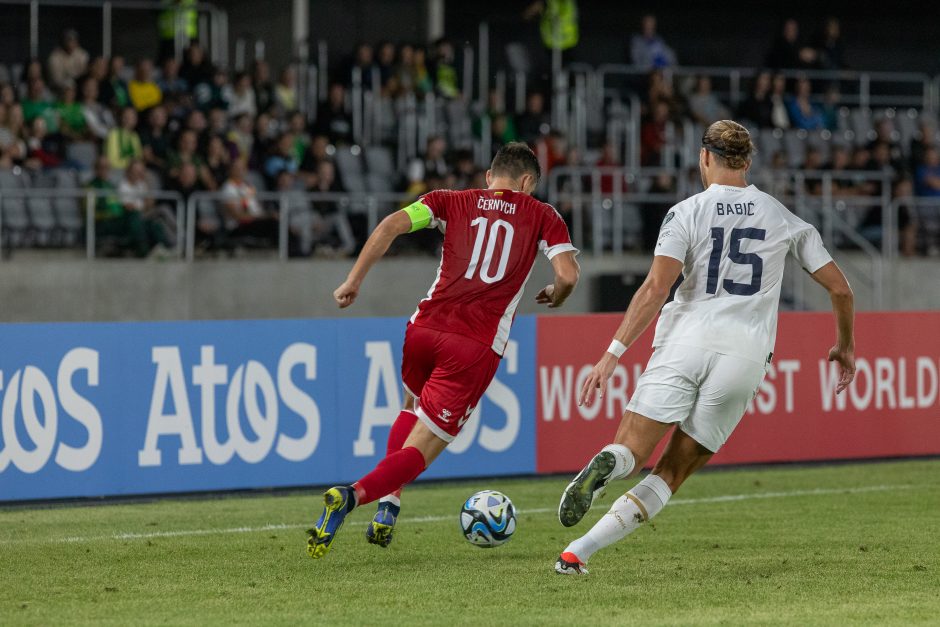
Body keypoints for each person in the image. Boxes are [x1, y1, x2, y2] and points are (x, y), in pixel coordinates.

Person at [553, 120, 855, 575]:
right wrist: (845, 346)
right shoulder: (782, 218)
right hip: (745, 356)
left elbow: (655, 287)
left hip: (684, 342)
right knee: (672, 472)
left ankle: (609, 466)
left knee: (631, 451)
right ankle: (579, 551)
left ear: (704, 158)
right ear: (748, 162)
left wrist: (612, 352)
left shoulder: (686, 211)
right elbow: (841, 290)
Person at [306, 142, 580, 559]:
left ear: (490, 177)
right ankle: (352, 495)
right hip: (472, 346)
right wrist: (556, 294)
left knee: (409, 404)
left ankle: (390, 504)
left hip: (423, 328)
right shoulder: (543, 215)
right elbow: (568, 274)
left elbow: (389, 226)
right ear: (527, 183)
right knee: (422, 450)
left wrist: (354, 281)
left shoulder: (449, 200)